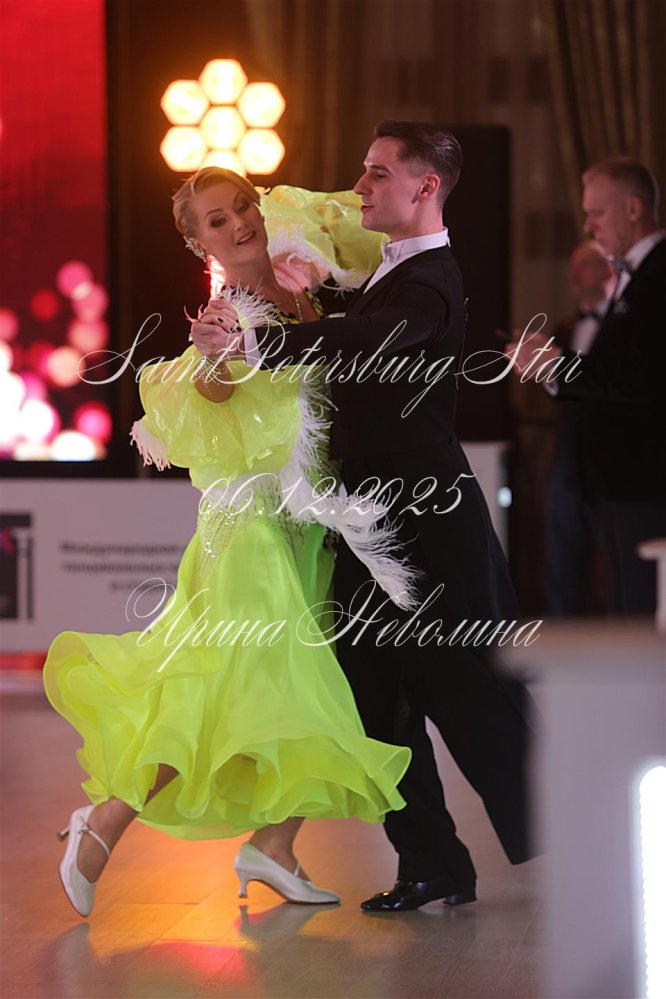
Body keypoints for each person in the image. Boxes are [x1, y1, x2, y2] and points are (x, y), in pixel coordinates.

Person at [44, 166, 413, 919]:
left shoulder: (303, 288)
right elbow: (211, 382)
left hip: (308, 527)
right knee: (218, 688)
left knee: (303, 687)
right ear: (197, 242)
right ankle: (103, 824)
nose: (240, 222)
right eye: (217, 220)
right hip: (248, 530)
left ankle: (274, 845)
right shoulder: (227, 312)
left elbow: (355, 233)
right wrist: (214, 354)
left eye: (244, 205)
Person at [196, 122, 534, 911]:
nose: (360, 186)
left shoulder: (431, 281)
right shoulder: (384, 272)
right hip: (367, 524)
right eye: (364, 169)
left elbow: (365, 339)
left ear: (425, 187)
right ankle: (432, 862)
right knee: (373, 696)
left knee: (470, 691)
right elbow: (350, 326)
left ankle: (584, 827)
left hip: (429, 529)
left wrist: (260, 344)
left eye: (379, 173)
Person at [510, 157, 666, 615]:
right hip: (619, 479)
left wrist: (558, 365)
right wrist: (551, 367)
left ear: (633, 208)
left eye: (596, 213)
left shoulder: (659, 273)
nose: (588, 225)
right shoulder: (639, 273)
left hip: (644, 479)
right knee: (626, 606)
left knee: (642, 614)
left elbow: (642, 378)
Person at [545, 241, 613, 615]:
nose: (574, 274)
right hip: (569, 448)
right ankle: (562, 623)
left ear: (608, 271)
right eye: (572, 265)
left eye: (585, 264)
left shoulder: (621, 327)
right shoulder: (565, 327)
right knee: (562, 542)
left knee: (613, 545)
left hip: (610, 449)